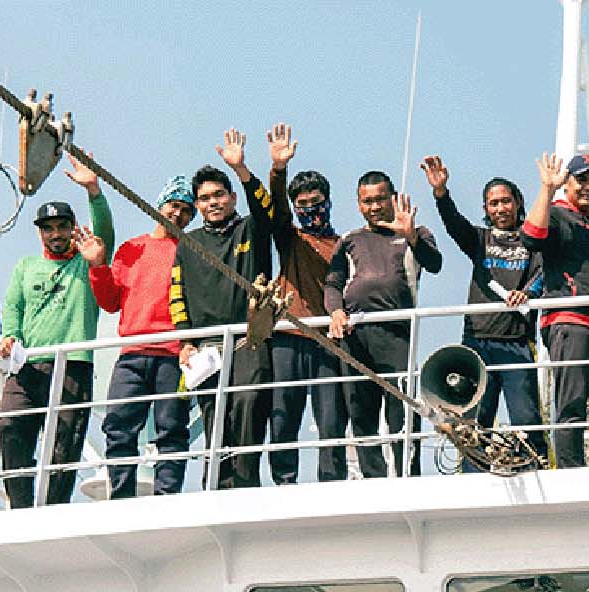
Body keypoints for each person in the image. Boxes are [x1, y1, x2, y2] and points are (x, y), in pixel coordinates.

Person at [0, 155, 114, 507]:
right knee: (10, 428)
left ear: (73, 227)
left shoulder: (86, 262)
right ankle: (20, 506)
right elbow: (13, 307)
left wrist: (93, 190)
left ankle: (53, 508)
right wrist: (10, 335)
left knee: (67, 440)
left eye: (62, 226)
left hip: (74, 364)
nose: (56, 233)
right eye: (48, 228)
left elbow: (104, 232)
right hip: (28, 365)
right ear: (40, 232)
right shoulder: (26, 266)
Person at [420, 155, 547, 465]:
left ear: (518, 203)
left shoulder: (533, 243)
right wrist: (441, 192)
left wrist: (526, 293)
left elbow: (541, 277)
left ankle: (536, 467)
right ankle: (474, 472)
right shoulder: (479, 240)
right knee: (475, 421)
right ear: (486, 209)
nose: (500, 208)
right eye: (493, 204)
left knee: (527, 416)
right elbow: (454, 224)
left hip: (516, 343)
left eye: (506, 201)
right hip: (477, 343)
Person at [169, 129, 278, 489]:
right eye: (204, 198)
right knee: (214, 416)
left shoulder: (251, 228)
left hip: (250, 337)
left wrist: (242, 169)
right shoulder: (189, 242)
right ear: (197, 205)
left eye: (219, 195)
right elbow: (177, 294)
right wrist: (186, 342)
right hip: (206, 346)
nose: (212, 202)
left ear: (232, 197)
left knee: (249, 402)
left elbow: (268, 209)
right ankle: (215, 485)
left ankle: (245, 484)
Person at [324, 173, 443, 479]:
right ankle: (373, 477)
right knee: (360, 410)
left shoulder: (416, 234)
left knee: (402, 410)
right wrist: (336, 312)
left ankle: (407, 474)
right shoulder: (349, 241)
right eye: (367, 201)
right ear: (359, 204)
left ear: (392, 198)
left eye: (380, 199)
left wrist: (412, 235)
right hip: (355, 333)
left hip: (397, 333)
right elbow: (333, 284)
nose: (374, 206)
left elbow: (435, 264)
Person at [85, 176, 196, 498]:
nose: (179, 214)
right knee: (118, 426)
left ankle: (166, 498)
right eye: (174, 205)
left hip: (174, 356)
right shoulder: (132, 248)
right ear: (159, 205)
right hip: (132, 353)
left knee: (172, 430)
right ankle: (120, 496)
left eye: (187, 210)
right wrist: (97, 266)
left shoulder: (192, 252)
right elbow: (109, 302)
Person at [521, 153, 589, 467]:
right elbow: (531, 236)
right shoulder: (558, 215)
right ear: (568, 183)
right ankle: (570, 471)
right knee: (572, 401)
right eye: (582, 180)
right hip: (572, 320)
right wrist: (546, 190)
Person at [264, 123, 349, 484]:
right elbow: (277, 209)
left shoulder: (345, 245)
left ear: (329, 202)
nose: (311, 211)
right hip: (288, 336)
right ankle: (284, 483)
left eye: (317, 204)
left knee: (332, 419)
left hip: (328, 340)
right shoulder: (290, 238)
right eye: (304, 206)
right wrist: (278, 170)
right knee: (283, 417)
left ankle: (330, 483)